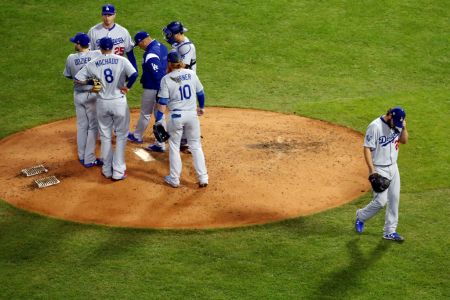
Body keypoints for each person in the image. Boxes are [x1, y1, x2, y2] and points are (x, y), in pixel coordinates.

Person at [75, 37, 138, 181]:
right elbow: (134, 74)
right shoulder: (121, 60)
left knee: (105, 137)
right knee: (121, 136)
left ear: (100, 48)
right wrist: (127, 87)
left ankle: (106, 170)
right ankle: (118, 171)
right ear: (113, 47)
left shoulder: (93, 63)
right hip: (119, 102)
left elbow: (78, 79)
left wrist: (96, 82)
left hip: (102, 103)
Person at [154, 52, 208, 188]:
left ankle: (174, 179)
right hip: (191, 115)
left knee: (174, 147)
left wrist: (159, 120)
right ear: (181, 62)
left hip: (176, 117)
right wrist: (201, 107)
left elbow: (163, 102)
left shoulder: (166, 79)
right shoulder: (191, 74)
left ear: (169, 64)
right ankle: (203, 178)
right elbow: (200, 93)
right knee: (196, 146)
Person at [355, 107, 409, 242]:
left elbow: (404, 141)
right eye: (395, 122)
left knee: (394, 200)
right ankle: (361, 216)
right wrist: (372, 170)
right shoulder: (375, 126)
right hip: (379, 168)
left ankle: (390, 231)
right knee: (380, 201)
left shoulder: (397, 123)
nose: (396, 125)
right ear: (389, 115)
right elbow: (367, 148)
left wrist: (404, 128)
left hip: (394, 167)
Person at [63, 32, 103, 167]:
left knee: (82, 126)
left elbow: (69, 76)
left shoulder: (71, 58)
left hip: (78, 95)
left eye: (75, 42)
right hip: (92, 95)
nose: (74, 44)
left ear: (80, 45)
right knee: (93, 127)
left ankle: (81, 155)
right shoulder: (97, 54)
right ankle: (89, 158)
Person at [127, 31, 168, 152]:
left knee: (146, 113)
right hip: (161, 88)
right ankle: (160, 143)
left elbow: (157, 74)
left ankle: (138, 136)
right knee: (159, 115)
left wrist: (160, 92)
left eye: (139, 44)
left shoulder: (150, 54)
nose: (139, 47)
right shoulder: (162, 46)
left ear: (144, 40)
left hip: (153, 88)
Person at [163, 21, 197, 151]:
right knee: (180, 107)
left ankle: (189, 140)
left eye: (170, 33)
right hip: (179, 79)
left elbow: (184, 67)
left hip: (186, 80)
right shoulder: (179, 44)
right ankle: (183, 138)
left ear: (177, 34)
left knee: (186, 108)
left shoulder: (187, 47)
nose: (167, 35)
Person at [87, 4, 137, 72]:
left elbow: (129, 52)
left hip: (119, 69)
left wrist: (134, 69)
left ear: (114, 15)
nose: (107, 18)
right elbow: (88, 53)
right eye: (105, 15)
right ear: (102, 15)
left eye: (109, 15)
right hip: (99, 70)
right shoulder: (93, 31)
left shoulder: (123, 31)